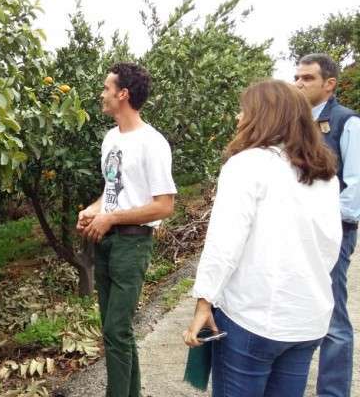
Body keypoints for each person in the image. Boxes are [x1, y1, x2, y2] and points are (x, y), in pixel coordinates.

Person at [184, 80, 342, 396]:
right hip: (306, 318)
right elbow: (329, 246)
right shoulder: (324, 173)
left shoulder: (247, 164)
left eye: (245, 110)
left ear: (265, 116)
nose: (238, 118)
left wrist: (204, 301)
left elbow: (224, 244)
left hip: (255, 318)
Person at [76, 62, 176, 397]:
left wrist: (112, 218)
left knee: (117, 330)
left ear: (123, 94)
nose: (102, 94)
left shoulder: (152, 143)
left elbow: (164, 205)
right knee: (114, 331)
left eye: (107, 88)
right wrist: (92, 211)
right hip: (106, 241)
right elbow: (113, 191)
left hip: (132, 245)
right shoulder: (110, 138)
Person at [295, 53, 360, 397]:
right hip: (297, 236)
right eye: (297, 77)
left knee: (333, 319)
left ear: (329, 84)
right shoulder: (294, 123)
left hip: (333, 234)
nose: (299, 84)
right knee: (301, 308)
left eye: (307, 78)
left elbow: (355, 188)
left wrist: (325, 225)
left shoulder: (346, 123)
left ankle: (333, 393)